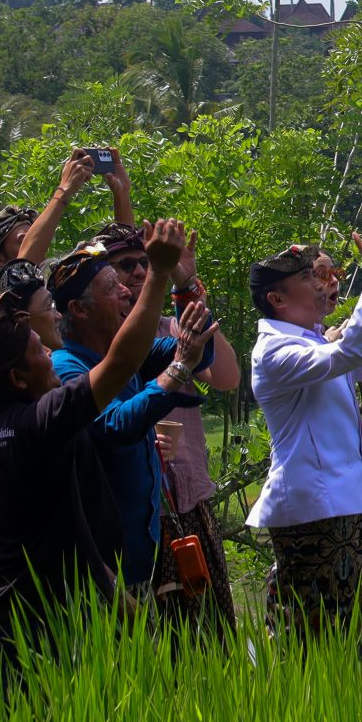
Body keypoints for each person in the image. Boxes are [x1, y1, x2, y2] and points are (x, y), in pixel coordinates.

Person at [0, 220, 210, 681]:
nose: (50, 351)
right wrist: (161, 275)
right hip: (51, 614)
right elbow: (122, 366)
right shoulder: (43, 419)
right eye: (37, 352)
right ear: (17, 379)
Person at [246, 229, 362, 641]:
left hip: (341, 508)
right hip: (311, 512)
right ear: (277, 300)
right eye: (307, 280)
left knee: (343, 631)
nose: (321, 284)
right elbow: (351, 353)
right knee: (309, 639)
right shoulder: (275, 351)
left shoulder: (315, 343)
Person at [95, 220, 240, 638]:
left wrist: (187, 284)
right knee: (163, 636)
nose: (138, 273)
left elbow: (229, 377)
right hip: (143, 507)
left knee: (209, 632)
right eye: (125, 266)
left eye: (144, 263)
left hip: (187, 494)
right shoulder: (100, 343)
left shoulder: (169, 327)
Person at [47, 241, 209, 593]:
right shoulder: (66, 369)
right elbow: (115, 427)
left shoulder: (130, 355)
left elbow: (201, 349)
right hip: (99, 572)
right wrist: (180, 369)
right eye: (111, 287)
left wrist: (185, 284)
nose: (125, 291)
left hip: (137, 560)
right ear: (79, 309)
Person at [0, 147, 133, 273]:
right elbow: (24, 268)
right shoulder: (3, 302)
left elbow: (124, 252)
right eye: (24, 240)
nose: (39, 242)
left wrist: (122, 194)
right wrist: (64, 189)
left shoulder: (60, 279)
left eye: (34, 235)